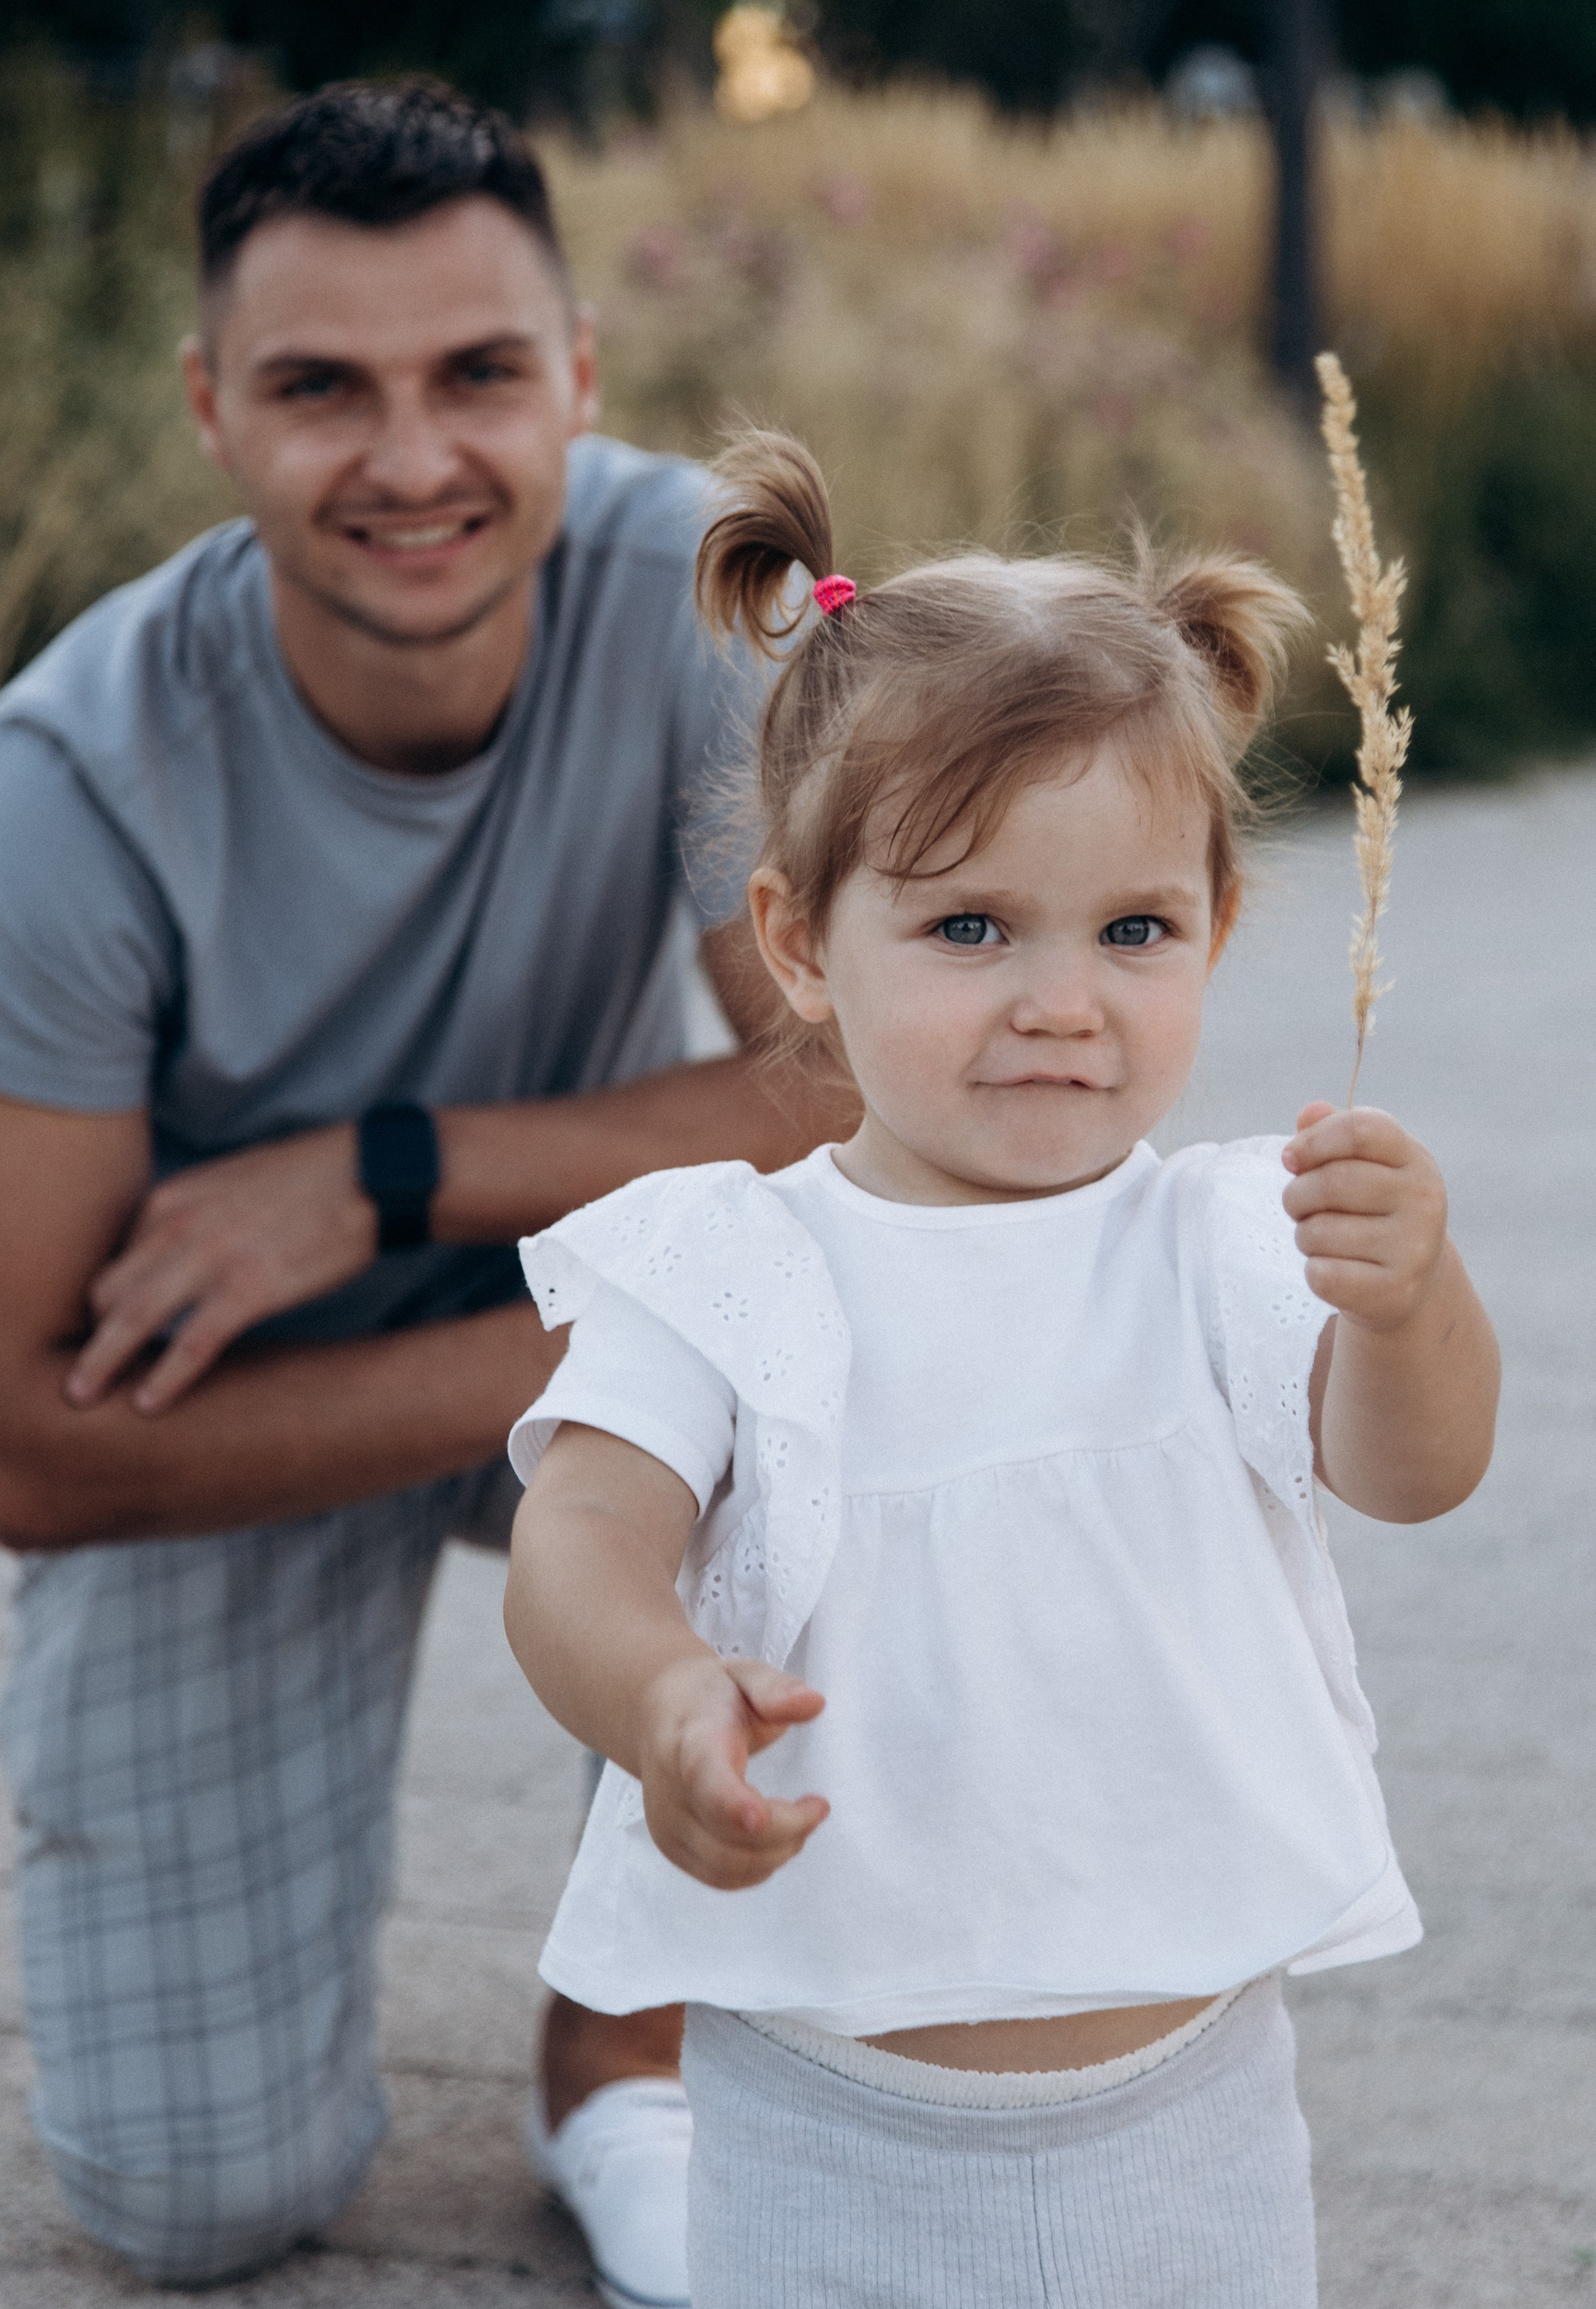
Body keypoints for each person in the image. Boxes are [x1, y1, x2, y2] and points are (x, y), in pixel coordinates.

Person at [0, 88, 850, 2300]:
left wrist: (382, 1177)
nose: (410, 458)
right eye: (319, 389)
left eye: (476, 373)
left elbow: (858, 1072)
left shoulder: (708, 599)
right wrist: (607, 1321)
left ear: (577, 371)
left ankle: (625, 2046)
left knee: (849, 1382)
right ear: (211, 410)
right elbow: (33, 1449)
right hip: (222, 1422)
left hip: (566, 1315)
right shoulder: (65, 787)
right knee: (199, 2205)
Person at [503, 432, 1501, 2306]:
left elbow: (1413, 1466)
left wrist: (1410, 1303)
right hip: (825, 2110)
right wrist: (658, 1693)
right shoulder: (730, 1257)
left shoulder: (1222, 1237)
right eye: (971, 928)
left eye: (1135, 930)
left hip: (1187, 2102)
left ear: (1213, 927)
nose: (1062, 999)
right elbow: (583, 1540)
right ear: (802, 943)